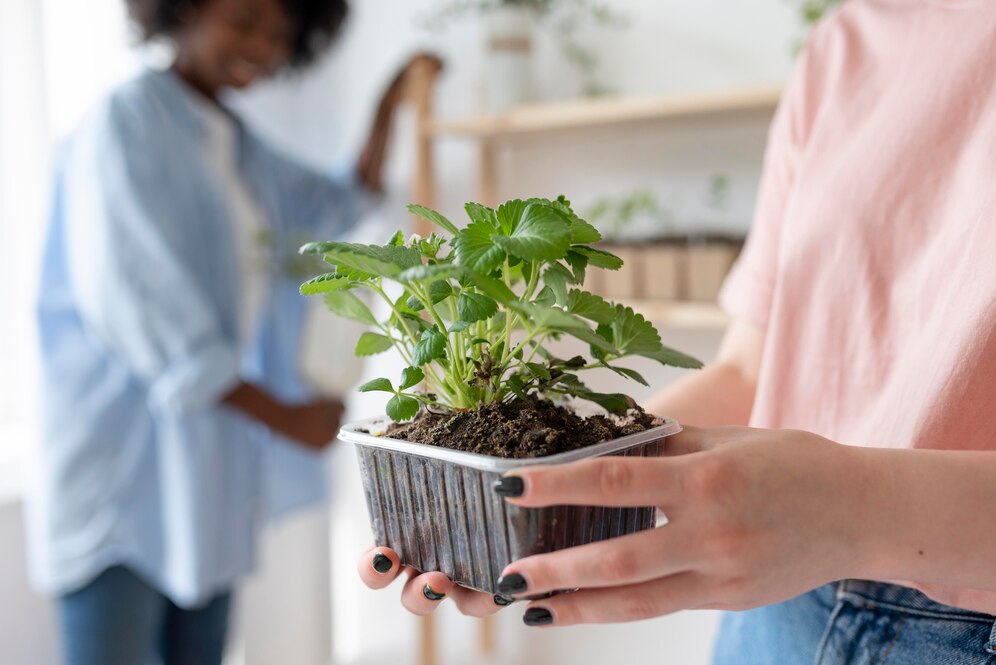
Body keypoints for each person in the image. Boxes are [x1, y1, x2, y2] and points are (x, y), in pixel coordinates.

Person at [357, 1, 996, 662]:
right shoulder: (848, 41)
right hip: (780, 611)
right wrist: (553, 493)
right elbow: (752, 369)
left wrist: (853, 507)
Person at [29, 0, 439, 663]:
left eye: (281, 34)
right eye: (245, 20)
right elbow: (146, 305)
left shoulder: (234, 142)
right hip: (121, 471)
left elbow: (335, 205)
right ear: (179, 11)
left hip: (205, 471)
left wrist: (391, 100)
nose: (264, 46)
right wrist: (289, 418)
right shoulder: (126, 123)